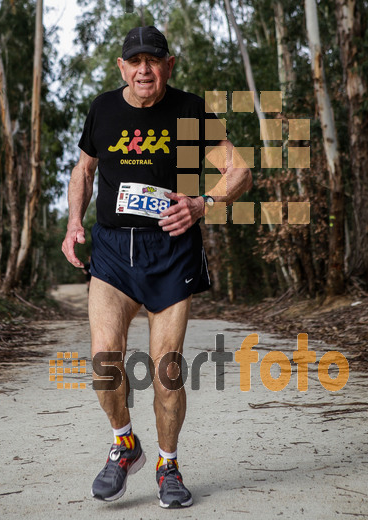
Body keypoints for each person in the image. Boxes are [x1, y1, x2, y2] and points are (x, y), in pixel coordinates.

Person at [61, 26, 252, 509]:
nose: (144, 69)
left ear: (170, 65)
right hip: (111, 253)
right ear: (121, 67)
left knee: (167, 369)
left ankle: (168, 465)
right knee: (106, 361)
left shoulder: (189, 110)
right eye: (135, 61)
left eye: (154, 60)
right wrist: (73, 222)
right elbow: (84, 169)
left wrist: (203, 202)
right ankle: (124, 444)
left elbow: (240, 169)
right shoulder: (103, 109)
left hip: (170, 251)